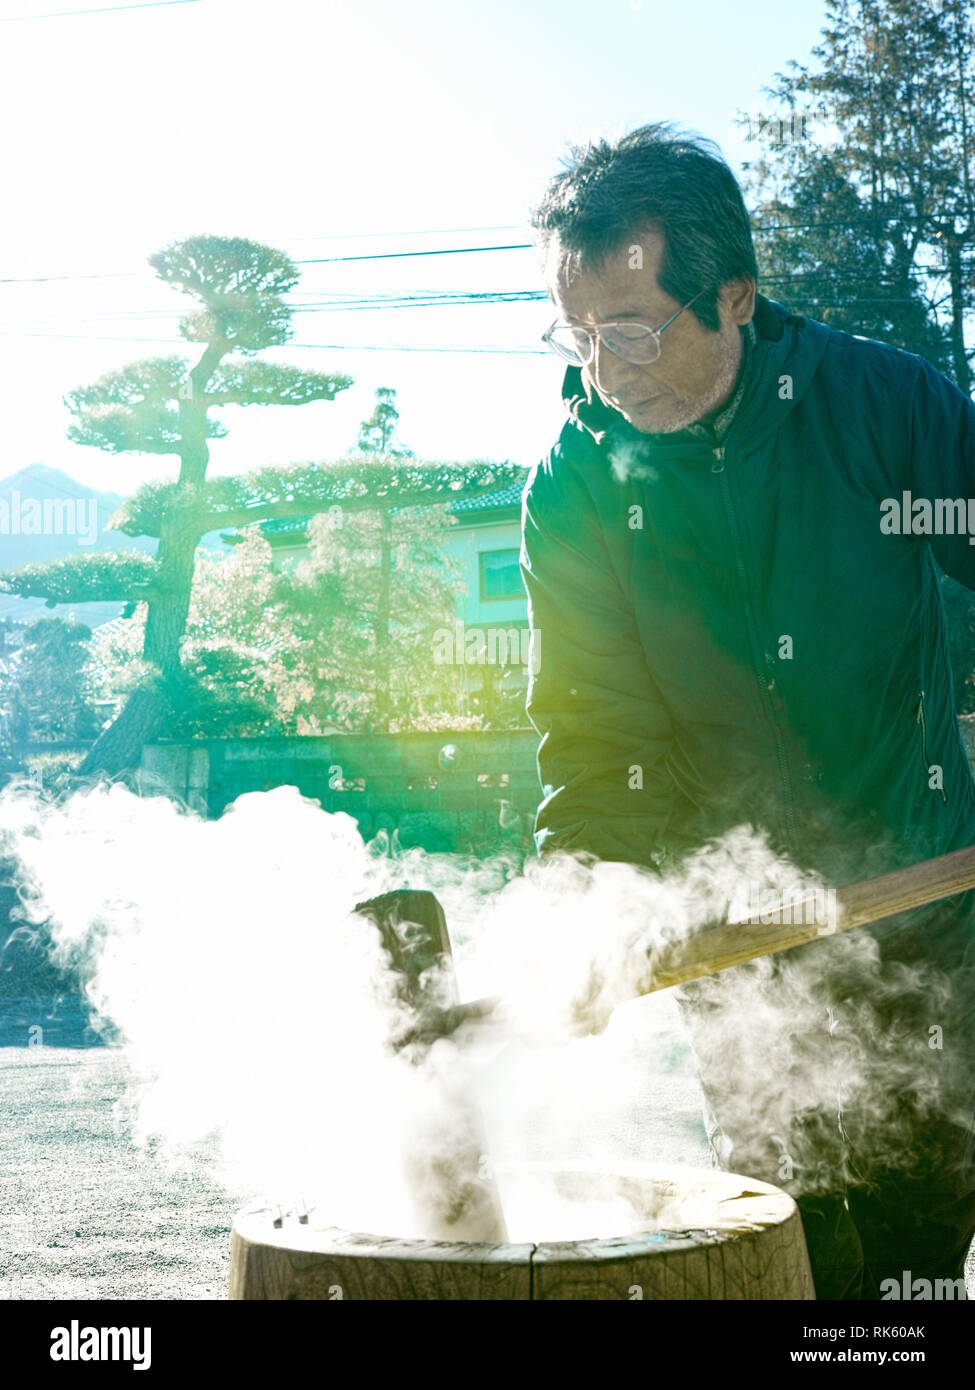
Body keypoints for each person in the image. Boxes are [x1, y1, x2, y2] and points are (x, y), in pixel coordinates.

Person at [521, 122, 975, 1300]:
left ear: (735, 297)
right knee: (788, 1256)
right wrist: (584, 903)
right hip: (741, 941)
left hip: (927, 911)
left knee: (916, 1266)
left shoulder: (883, 406)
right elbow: (595, 732)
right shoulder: (575, 489)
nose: (601, 370)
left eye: (629, 332)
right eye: (575, 337)